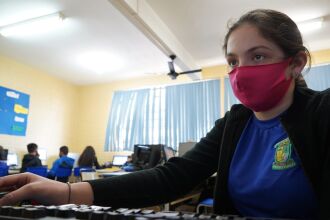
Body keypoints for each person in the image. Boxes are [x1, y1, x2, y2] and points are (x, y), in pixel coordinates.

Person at [0, 9, 329, 219]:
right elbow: (174, 176)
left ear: (295, 63)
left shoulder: (322, 112)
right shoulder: (235, 122)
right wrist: (68, 193)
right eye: (232, 61)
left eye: (257, 57)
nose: (241, 71)